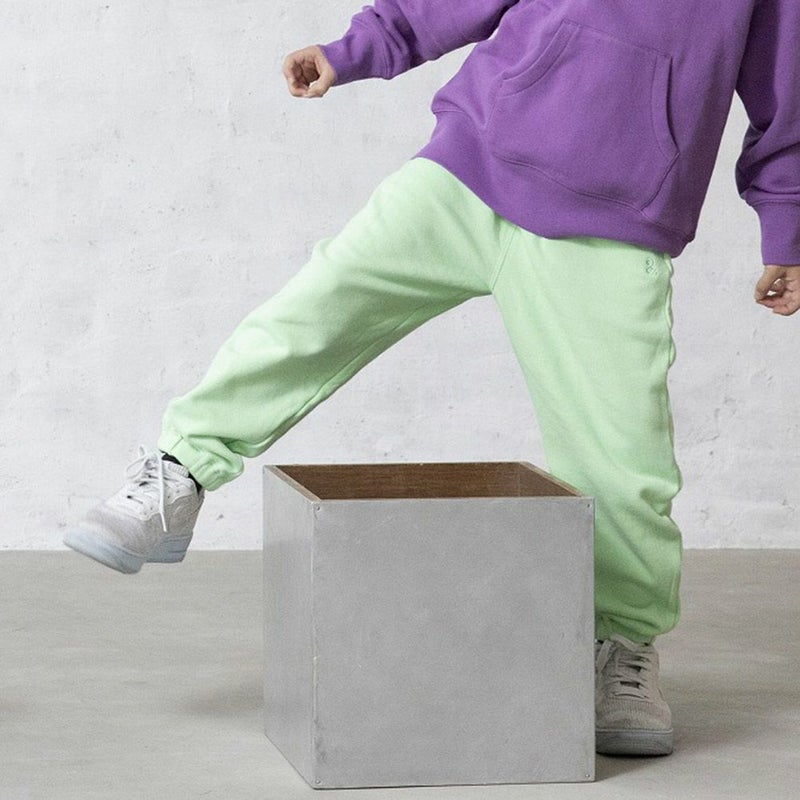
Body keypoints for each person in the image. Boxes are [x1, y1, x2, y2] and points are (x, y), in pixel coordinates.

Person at [64, 0, 800, 758]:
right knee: (315, 312)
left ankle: (623, 647)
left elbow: (787, 90)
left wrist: (789, 225)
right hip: (472, 166)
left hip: (615, 225)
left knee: (624, 457)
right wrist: (357, 48)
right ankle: (180, 472)